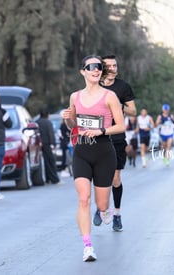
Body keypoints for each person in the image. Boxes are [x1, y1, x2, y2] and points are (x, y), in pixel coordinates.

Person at [61, 55, 125, 262]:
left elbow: (121, 126)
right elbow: (72, 126)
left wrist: (101, 131)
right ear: (83, 71)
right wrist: (67, 119)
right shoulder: (75, 97)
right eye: (92, 67)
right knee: (83, 199)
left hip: (104, 151)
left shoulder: (109, 96)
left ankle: (104, 211)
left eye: (99, 67)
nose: (96, 70)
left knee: (103, 204)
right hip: (82, 150)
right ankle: (87, 246)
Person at [92, 54, 136, 232]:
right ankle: (100, 208)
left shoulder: (123, 87)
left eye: (115, 65)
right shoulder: (95, 85)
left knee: (115, 178)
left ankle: (116, 214)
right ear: (102, 68)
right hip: (97, 137)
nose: (113, 68)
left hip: (116, 138)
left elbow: (133, 111)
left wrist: (119, 105)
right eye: (109, 66)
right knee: (100, 178)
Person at [36, 110, 60, 184]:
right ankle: (54, 179)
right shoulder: (48, 122)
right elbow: (50, 133)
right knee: (51, 161)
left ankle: (47, 178)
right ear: (47, 115)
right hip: (46, 145)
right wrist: (54, 144)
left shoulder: (37, 122)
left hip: (38, 145)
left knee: (44, 162)